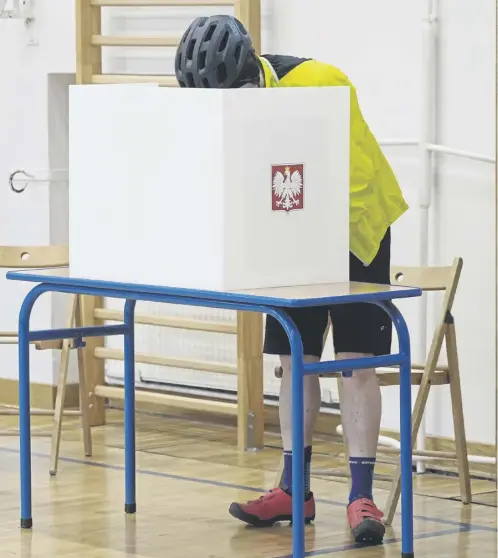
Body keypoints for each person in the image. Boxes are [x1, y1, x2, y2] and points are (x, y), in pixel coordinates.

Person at [175, 15, 409, 546]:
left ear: (249, 75)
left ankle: (360, 496)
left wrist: (314, 249)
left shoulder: (320, 83)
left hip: (357, 228)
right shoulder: (223, 105)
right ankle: (293, 490)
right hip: (291, 232)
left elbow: (354, 182)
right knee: (293, 362)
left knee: (354, 365)